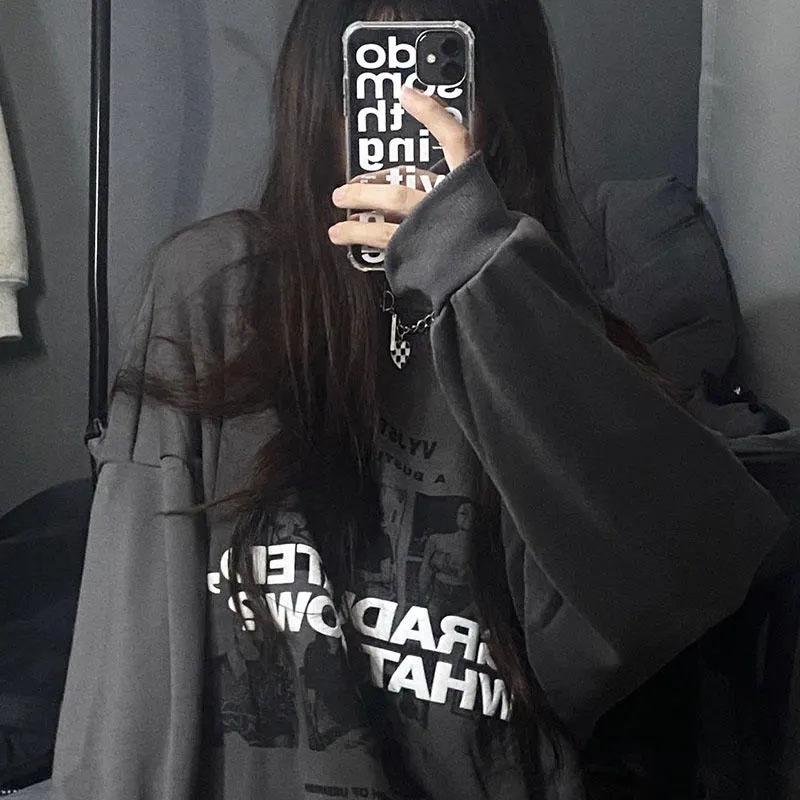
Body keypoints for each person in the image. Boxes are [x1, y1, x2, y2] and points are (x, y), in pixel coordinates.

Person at [50, 1, 790, 799]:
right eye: (376, 74)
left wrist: (480, 273)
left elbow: (696, 573)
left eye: (441, 73)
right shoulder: (216, 290)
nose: (408, 113)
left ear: (499, 102)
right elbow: (131, 636)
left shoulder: (557, 329)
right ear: (319, 92)